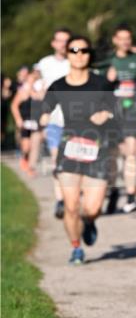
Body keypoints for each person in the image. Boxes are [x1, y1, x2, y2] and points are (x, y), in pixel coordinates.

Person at [39, 35, 118, 265]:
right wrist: (43, 117)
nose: (79, 55)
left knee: (91, 209)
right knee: (71, 206)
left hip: (98, 149)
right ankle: (76, 248)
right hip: (70, 148)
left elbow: (116, 110)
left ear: (90, 55)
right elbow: (44, 109)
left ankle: (89, 221)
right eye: (74, 50)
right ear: (67, 54)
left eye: (84, 51)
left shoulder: (101, 84)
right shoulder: (59, 86)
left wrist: (105, 114)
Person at [106, 24, 136, 213]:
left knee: (132, 152)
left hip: (131, 111)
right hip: (112, 113)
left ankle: (130, 197)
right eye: (121, 38)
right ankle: (113, 190)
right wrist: (109, 79)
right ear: (115, 40)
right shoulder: (108, 60)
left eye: (128, 38)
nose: (125, 42)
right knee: (112, 155)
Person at [37, 28, 71, 218]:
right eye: (60, 40)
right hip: (53, 121)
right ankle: (60, 200)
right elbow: (38, 87)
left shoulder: (76, 61)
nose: (63, 44)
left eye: (66, 41)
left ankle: (73, 197)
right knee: (57, 161)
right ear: (53, 43)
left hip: (75, 121)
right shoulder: (45, 64)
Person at [10, 66, 45, 175]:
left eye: (33, 80)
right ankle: (25, 158)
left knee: (35, 144)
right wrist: (18, 119)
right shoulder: (22, 93)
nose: (32, 82)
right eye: (30, 80)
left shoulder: (37, 93)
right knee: (26, 146)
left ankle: (31, 166)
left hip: (35, 122)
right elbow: (14, 106)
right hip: (25, 121)